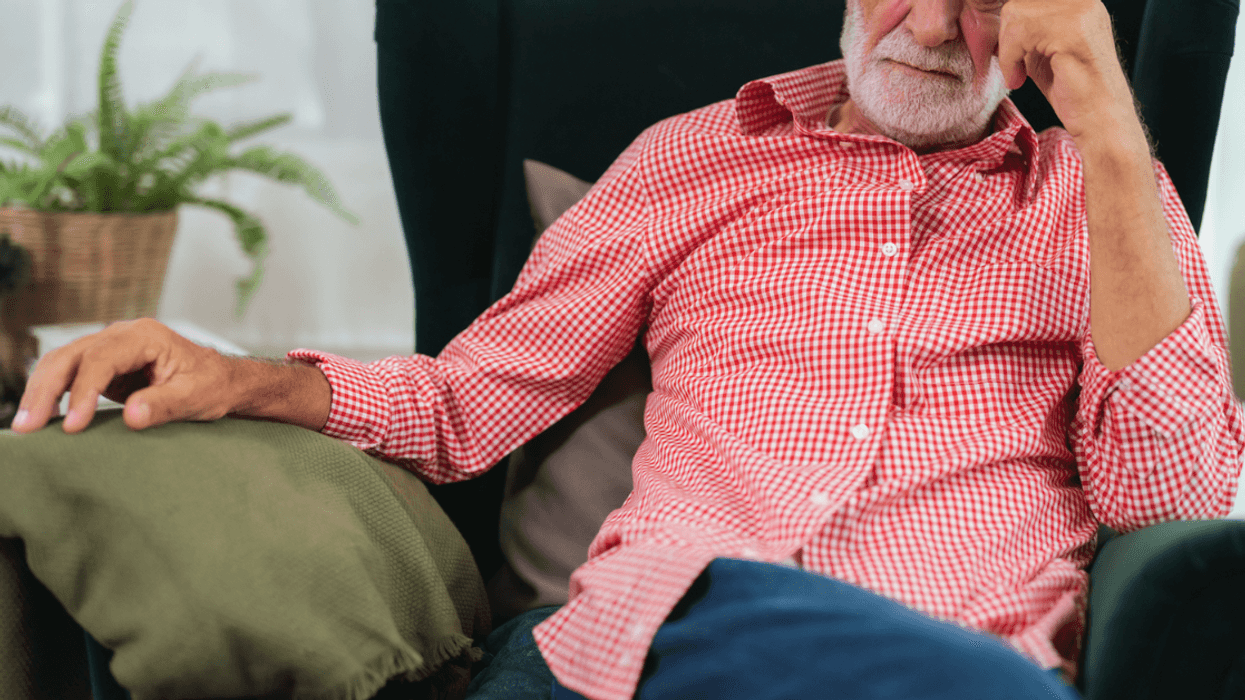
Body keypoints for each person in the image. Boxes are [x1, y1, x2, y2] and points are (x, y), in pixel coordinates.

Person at [13, 0, 1245, 698]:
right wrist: (239, 373)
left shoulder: (1112, 213)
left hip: (961, 661)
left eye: (979, 0)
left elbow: (1172, 497)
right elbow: (471, 398)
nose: (928, 25)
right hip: (660, 644)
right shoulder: (696, 158)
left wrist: (1110, 141)